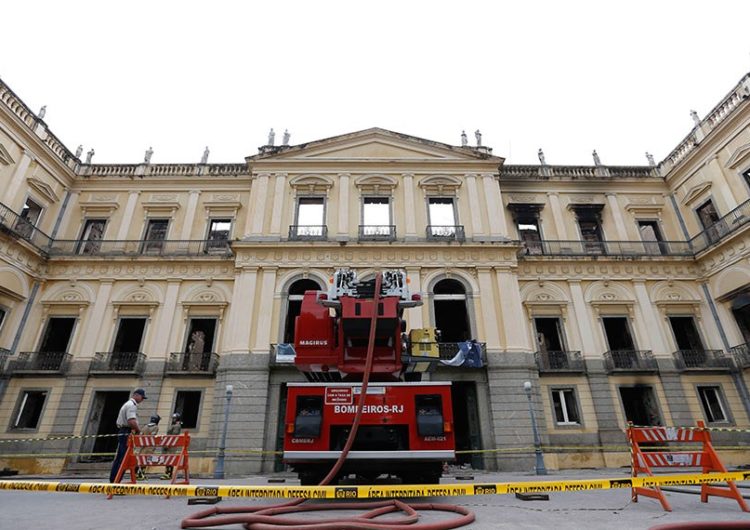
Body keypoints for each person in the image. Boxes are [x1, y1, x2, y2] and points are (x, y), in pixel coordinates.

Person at [109, 388, 147, 483]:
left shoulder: (128, 404)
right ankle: (116, 481)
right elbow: (131, 421)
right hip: (126, 431)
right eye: (142, 397)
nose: (142, 400)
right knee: (123, 458)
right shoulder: (132, 405)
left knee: (121, 457)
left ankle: (114, 480)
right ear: (136, 395)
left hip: (124, 431)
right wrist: (138, 430)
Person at [135, 415, 160, 480]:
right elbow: (152, 436)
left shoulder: (145, 426)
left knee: (140, 459)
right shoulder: (155, 427)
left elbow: (140, 434)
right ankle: (141, 474)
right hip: (149, 446)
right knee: (145, 460)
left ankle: (135, 473)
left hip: (143, 446)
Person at [161, 413, 182, 479]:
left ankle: (169, 474)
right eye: (173, 418)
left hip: (171, 445)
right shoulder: (174, 425)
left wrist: (168, 444)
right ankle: (167, 472)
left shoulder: (176, 426)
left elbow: (174, 436)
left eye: (174, 418)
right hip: (170, 444)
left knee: (170, 458)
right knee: (168, 458)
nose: (173, 419)